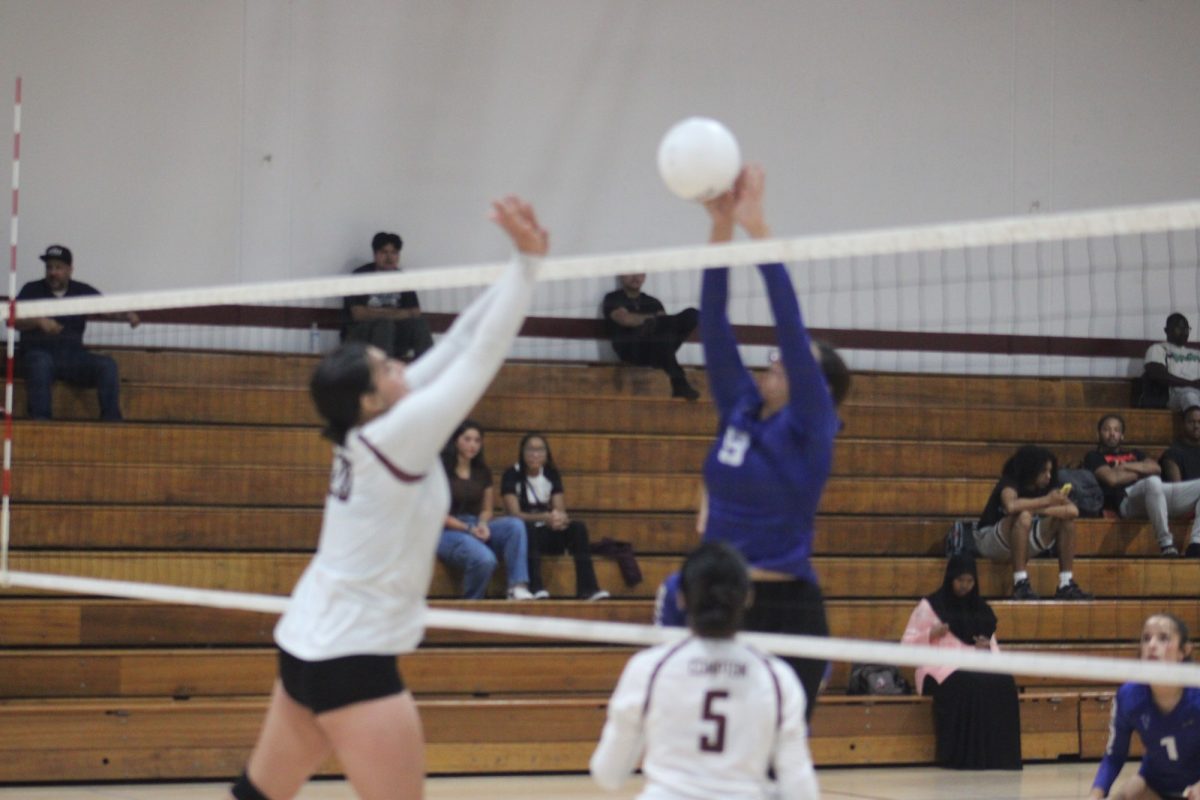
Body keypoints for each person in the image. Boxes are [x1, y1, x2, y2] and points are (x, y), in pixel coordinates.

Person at [228, 196, 548, 800]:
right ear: (370, 400)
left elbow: (455, 345)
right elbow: (480, 360)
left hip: (308, 640)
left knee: (260, 793)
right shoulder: (396, 436)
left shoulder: (372, 425)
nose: (403, 366)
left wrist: (517, 265)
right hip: (351, 656)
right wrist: (529, 268)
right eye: (387, 367)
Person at [695, 163, 850, 720]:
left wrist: (758, 229)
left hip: (787, 612)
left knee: (777, 763)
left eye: (792, 362)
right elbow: (713, 320)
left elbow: (789, 323)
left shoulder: (811, 427)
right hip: (718, 600)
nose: (775, 358)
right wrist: (720, 229)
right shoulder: (739, 404)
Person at [590, 542, 820, 799]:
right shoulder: (778, 678)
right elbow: (802, 792)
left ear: (681, 599)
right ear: (748, 598)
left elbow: (608, 774)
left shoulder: (649, 668)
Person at [900, 554, 1022, 770]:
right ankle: (965, 757)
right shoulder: (931, 606)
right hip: (939, 670)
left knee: (1004, 682)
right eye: (960, 580)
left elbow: (994, 649)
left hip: (975, 667)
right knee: (968, 685)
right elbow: (906, 646)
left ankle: (998, 757)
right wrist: (930, 634)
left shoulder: (981, 611)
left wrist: (986, 648)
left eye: (970, 581)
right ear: (950, 579)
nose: (965, 586)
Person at [15, 244, 140, 421]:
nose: (53, 272)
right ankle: (40, 423)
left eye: (58, 267)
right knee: (40, 363)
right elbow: (13, 320)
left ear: (70, 270)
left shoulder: (82, 291)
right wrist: (38, 321)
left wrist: (126, 315)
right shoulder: (31, 289)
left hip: (72, 357)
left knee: (107, 365)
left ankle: (112, 423)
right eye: (49, 267)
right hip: (37, 354)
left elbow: (107, 310)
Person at [1089, 614, 1200, 800]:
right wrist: (1095, 795)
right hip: (1154, 784)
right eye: (1146, 638)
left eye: (1163, 638)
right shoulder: (1129, 695)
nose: (1152, 645)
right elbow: (1114, 755)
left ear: (1184, 651)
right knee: (1128, 794)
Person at [973, 444, 1092, 600]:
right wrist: (1046, 501)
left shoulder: (1048, 487)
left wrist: (1039, 508)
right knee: (1023, 516)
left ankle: (1066, 583)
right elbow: (1010, 506)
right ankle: (1020, 582)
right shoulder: (1010, 482)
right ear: (1031, 469)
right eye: (1044, 471)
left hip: (1022, 539)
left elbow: (1073, 511)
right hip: (990, 541)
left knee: (1066, 521)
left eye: (1050, 471)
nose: (1049, 476)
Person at [501, 432, 609, 600]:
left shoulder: (551, 473)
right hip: (525, 535)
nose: (535, 454)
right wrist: (544, 517)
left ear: (546, 453)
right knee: (527, 528)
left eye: (540, 450)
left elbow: (560, 509)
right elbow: (514, 514)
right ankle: (535, 587)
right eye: (530, 450)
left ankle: (588, 589)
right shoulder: (511, 474)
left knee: (578, 528)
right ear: (522, 452)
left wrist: (559, 520)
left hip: (546, 532)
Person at [436, 420, 534, 599]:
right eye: (467, 439)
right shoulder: (440, 470)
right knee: (485, 559)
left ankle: (517, 586)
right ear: (456, 440)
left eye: (477, 441)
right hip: (447, 530)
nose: (472, 445)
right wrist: (467, 529)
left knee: (515, 525)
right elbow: (436, 514)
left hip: (474, 524)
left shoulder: (483, 471)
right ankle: (472, 604)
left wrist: (482, 524)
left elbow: (487, 509)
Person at [1085, 413, 1200, 557]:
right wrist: (1141, 471)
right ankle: (1166, 544)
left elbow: (1156, 468)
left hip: (1155, 495)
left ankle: (1196, 544)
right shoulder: (1094, 457)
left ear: (1122, 435)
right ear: (1099, 434)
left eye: (1116, 430)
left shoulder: (1135, 453)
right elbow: (1112, 478)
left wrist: (1123, 467)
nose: (1112, 434)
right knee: (1152, 481)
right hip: (1127, 502)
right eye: (1107, 430)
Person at [602, 273, 700, 400]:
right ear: (621, 275)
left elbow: (665, 325)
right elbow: (625, 319)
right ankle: (678, 381)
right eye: (631, 272)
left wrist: (651, 322)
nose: (635, 277)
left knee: (692, 314)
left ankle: (679, 383)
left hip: (657, 350)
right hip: (632, 351)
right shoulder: (613, 298)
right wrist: (653, 319)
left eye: (640, 273)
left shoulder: (653, 302)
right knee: (659, 327)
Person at [342, 231, 434, 360]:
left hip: (394, 337)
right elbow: (359, 314)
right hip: (361, 338)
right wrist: (396, 314)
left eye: (394, 253)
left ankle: (429, 371)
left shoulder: (403, 279)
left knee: (420, 323)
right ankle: (383, 373)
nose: (389, 257)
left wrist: (377, 312)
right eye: (384, 252)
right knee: (384, 324)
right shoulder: (360, 275)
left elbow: (415, 313)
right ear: (375, 254)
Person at [1143, 314, 1200, 413]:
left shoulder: (1196, 353)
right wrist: (1191, 384)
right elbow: (1157, 374)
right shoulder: (1158, 348)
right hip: (1174, 394)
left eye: (1187, 329)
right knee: (1190, 396)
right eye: (1179, 328)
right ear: (1167, 330)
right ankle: (1195, 426)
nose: (1184, 332)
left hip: (1197, 390)